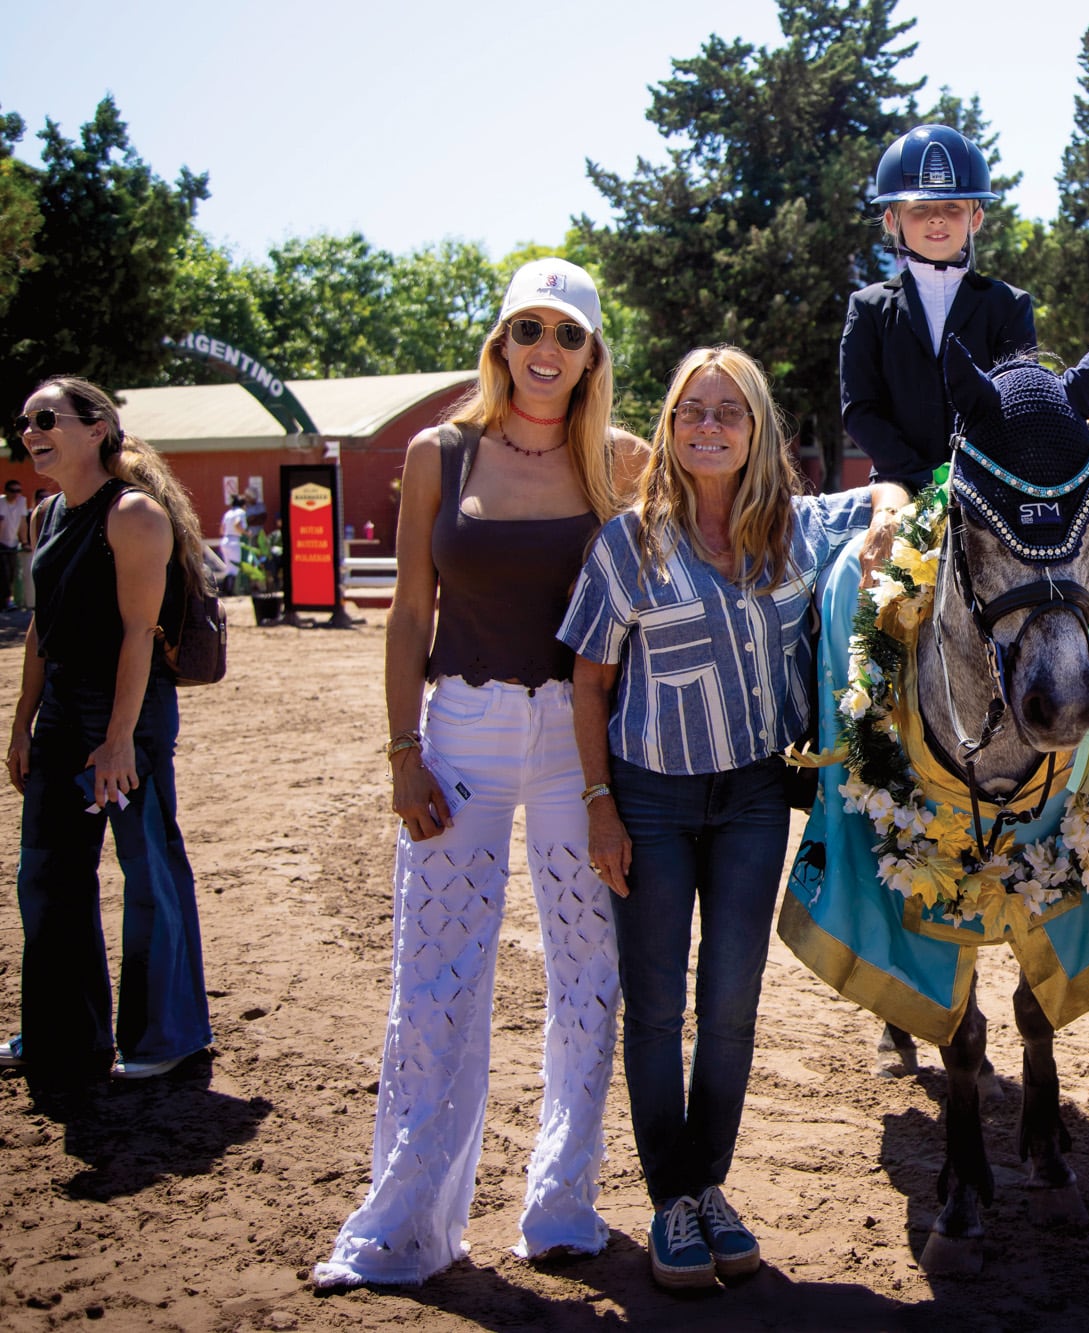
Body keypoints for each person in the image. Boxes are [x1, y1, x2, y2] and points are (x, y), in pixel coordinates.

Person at [314, 258, 646, 1287]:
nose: (545, 351)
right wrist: (403, 750)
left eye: (568, 335)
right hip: (458, 730)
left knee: (589, 974)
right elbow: (410, 610)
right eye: (527, 330)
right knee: (436, 977)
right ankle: (402, 1224)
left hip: (577, 742)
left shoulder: (620, 465)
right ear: (499, 343)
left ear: (592, 356)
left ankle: (560, 1205)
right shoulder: (437, 455)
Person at [560, 345, 906, 1291]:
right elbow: (589, 685)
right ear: (670, 429)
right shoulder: (627, 544)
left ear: (758, 430)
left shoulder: (797, 532)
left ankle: (710, 1184)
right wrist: (599, 805)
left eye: (729, 411)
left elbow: (887, 501)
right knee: (659, 1003)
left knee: (732, 1006)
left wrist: (887, 504)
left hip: (756, 797)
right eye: (690, 411)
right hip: (653, 800)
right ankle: (670, 1197)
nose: (708, 426)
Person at [3, 378, 214, 1084]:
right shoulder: (43, 516)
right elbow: (41, 629)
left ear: (97, 428)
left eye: (45, 419)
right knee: (47, 872)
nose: (31, 431)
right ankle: (62, 1031)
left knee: (148, 870)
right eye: (25, 422)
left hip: (128, 711)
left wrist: (119, 738)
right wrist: (22, 723)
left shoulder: (135, 516)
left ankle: (169, 1033)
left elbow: (137, 634)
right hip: (62, 710)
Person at [839, 123, 1036, 492]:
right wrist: (922, 476)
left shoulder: (1009, 304)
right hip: (896, 485)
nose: (937, 218)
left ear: (975, 219)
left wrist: (971, 473)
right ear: (891, 220)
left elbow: (1015, 400)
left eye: (952, 207)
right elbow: (860, 410)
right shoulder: (867, 308)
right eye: (920, 209)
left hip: (989, 485)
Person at [0, 478, 28, 610]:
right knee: (4, 573)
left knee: (11, 572)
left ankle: (6, 600)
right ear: (6, 491)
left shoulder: (21, 502)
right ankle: (6, 600)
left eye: (18, 491)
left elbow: (22, 523)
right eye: (12, 491)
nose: (16, 494)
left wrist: (24, 541)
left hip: (13, 542)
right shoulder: (1, 502)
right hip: (1, 542)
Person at [218, 494, 248, 595]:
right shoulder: (241, 512)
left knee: (228, 568)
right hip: (234, 540)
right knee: (235, 568)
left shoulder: (228, 513)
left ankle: (225, 591)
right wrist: (246, 533)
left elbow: (222, 529)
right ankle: (231, 591)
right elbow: (237, 524)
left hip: (225, 539)